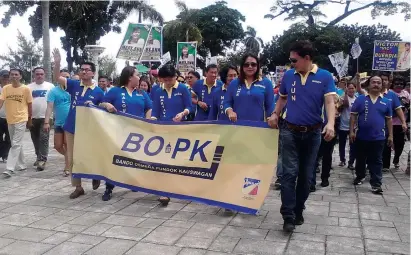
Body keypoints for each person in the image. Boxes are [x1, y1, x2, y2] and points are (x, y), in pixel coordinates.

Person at [268, 40, 336, 232]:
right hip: (290, 131)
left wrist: (330, 123)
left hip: (314, 133)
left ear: (307, 58)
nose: (291, 64)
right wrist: (275, 114)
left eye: (294, 60)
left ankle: (299, 209)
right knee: (288, 174)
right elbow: (282, 97)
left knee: (306, 177)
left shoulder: (324, 76)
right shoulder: (289, 76)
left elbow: (330, 102)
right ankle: (288, 215)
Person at [53, 48, 104, 199]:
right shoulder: (75, 85)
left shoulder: (99, 92)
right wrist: (57, 63)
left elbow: (103, 111)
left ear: (93, 73)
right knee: (72, 157)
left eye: (87, 70)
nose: (83, 72)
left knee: (90, 155)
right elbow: (57, 77)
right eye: (81, 70)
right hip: (71, 127)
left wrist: (95, 106)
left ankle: (96, 175)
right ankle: (78, 187)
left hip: (89, 129)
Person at [99, 66, 152, 201]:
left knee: (135, 159)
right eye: (137, 75)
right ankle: (109, 187)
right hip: (118, 132)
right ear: (130, 77)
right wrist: (107, 105)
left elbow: (149, 108)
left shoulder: (141, 93)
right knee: (115, 159)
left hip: (137, 134)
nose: (139, 78)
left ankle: (133, 182)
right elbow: (101, 103)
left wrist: (147, 121)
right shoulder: (116, 91)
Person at [151, 64, 193, 205]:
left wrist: (183, 113)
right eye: (166, 80)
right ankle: (164, 191)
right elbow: (155, 112)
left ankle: (181, 186)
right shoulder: (157, 91)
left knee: (179, 160)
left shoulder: (183, 89)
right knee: (163, 160)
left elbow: (190, 107)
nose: (169, 82)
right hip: (163, 131)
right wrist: (152, 122)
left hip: (180, 129)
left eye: (172, 79)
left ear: (176, 77)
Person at [350, 76, 393, 194]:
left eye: (378, 82)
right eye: (373, 82)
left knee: (377, 160)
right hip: (361, 136)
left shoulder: (386, 101)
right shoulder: (360, 99)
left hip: (379, 137)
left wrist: (391, 136)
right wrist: (351, 131)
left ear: (382, 85)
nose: (376, 84)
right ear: (368, 85)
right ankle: (360, 176)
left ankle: (376, 183)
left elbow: (389, 120)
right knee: (360, 158)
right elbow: (353, 115)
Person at [0, 68, 33, 177]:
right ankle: (22, 164)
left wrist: (29, 118)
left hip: (21, 118)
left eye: (16, 74)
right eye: (12, 74)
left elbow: (29, 104)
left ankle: (9, 168)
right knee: (17, 143)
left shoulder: (25, 89)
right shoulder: (5, 88)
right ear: (9, 76)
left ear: (20, 76)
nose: (14, 76)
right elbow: (1, 102)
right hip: (10, 119)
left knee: (15, 143)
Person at [224, 54, 274, 122]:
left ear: (258, 66)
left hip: (258, 127)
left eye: (253, 64)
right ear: (242, 67)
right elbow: (226, 102)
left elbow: (270, 106)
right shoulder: (234, 83)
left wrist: (271, 118)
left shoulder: (266, 83)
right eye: (246, 65)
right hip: (236, 126)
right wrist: (230, 111)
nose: (250, 67)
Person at [43, 70, 71, 176]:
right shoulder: (53, 91)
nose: (65, 79)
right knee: (58, 145)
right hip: (58, 122)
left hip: (70, 123)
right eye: (63, 76)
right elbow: (49, 107)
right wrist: (46, 122)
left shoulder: (72, 91)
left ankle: (67, 166)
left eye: (67, 77)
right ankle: (69, 157)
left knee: (67, 144)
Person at [28, 67, 54, 171]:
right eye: (37, 74)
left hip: (46, 117)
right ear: (34, 75)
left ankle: (42, 160)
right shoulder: (28, 87)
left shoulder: (50, 87)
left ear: (44, 75)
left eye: (41, 74)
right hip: (32, 117)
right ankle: (38, 156)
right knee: (35, 138)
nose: (39, 76)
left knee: (44, 138)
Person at [380, 72, 407, 172]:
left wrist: (403, 122)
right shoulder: (370, 93)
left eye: (385, 80)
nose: (383, 82)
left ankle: (386, 165)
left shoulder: (392, 95)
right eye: (381, 80)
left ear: (388, 81)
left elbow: (398, 109)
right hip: (375, 125)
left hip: (390, 124)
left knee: (389, 144)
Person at [390, 77, 409, 168]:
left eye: (401, 84)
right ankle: (385, 163)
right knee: (388, 143)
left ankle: (396, 159)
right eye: (397, 83)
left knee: (400, 143)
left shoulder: (406, 94)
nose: (399, 85)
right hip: (390, 122)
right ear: (393, 84)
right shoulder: (389, 93)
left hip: (402, 123)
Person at [338, 82, 357, 169]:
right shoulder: (342, 98)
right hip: (343, 125)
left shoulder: (357, 99)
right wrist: (345, 94)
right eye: (349, 88)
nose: (351, 90)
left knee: (353, 145)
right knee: (342, 144)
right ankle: (342, 160)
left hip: (353, 126)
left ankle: (351, 162)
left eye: (353, 88)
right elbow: (345, 105)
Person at [0, 70, 11, 162]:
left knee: (9, 138)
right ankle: (1, 154)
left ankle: (5, 155)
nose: (6, 79)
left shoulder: (12, 89)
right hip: (0, 117)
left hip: (10, 117)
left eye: (7, 77)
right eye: (4, 77)